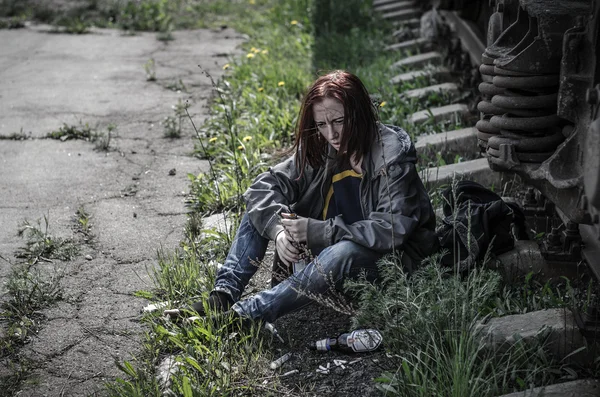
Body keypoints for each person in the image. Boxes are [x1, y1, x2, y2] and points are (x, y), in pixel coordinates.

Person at [166, 70, 439, 324]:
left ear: (359, 114)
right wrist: (279, 233)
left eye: (339, 121)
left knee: (343, 251)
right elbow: (262, 189)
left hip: (390, 264)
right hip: (327, 257)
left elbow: (390, 230)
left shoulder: (391, 157)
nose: (331, 133)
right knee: (261, 211)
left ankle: (243, 317)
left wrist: (318, 231)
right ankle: (222, 297)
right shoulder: (322, 148)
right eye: (321, 124)